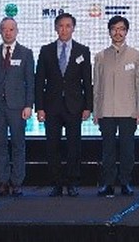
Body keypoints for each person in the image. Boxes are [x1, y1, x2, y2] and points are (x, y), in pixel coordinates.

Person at [35, 13, 92, 197]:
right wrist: (39, 107)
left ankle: (72, 182)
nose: (64, 29)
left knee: (74, 146)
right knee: (53, 146)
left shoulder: (83, 50)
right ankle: (57, 183)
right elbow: (39, 81)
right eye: (61, 26)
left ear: (73, 28)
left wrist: (88, 106)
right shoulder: (46, 50)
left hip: (74, 106)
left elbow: (87, 81)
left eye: (68, 26)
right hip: (51, 106)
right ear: (55, 28)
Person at [0, 17, 34, 197]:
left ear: (17, 31)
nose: (8, 32)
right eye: (4, 29)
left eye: (11, 29)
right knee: (0, 145)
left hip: (17, 106)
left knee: (18, 145)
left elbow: (30, 82)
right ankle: (3, 182)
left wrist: (29, 105)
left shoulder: (26, 53)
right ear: (0, 31)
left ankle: (17, 182)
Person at [93, 15, 139, 197]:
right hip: (106, 110)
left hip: (128, 110)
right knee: (108, 150)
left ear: (126, 32)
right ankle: (108, 183)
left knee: (127, 150)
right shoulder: (100, 57)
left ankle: (125, 182)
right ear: (109, 32)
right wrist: (96, 110)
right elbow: (97, 85)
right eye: (114, 29)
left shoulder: (136, 56)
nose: (118, 32)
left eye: (121, 29)